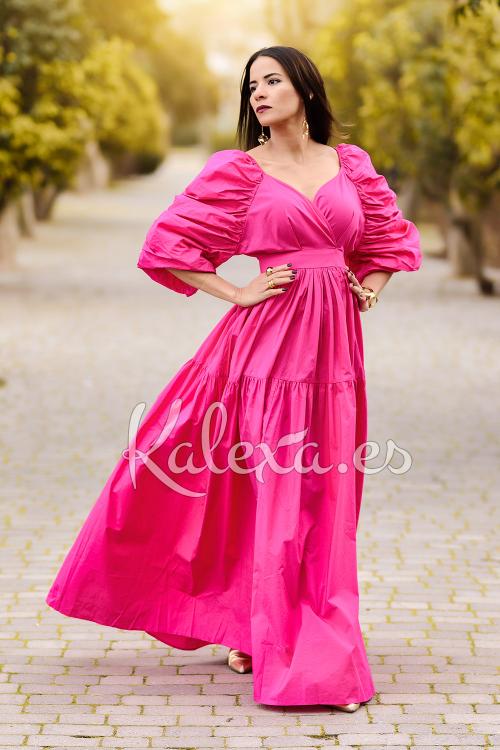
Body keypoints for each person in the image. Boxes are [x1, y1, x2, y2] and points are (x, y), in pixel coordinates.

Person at [45, 45, 422, 711]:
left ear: (306, 88)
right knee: (275, 493)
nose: (259, 94)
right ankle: (299, 650)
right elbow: (167, 245)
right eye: (252, 86)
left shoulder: (350, 166)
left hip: (335, 356)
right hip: (266, 353)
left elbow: (388, 241)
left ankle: (263, 626)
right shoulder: (241, 172)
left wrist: (370, 287)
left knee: (325, 499)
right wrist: (237, 292)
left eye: (272, 80)